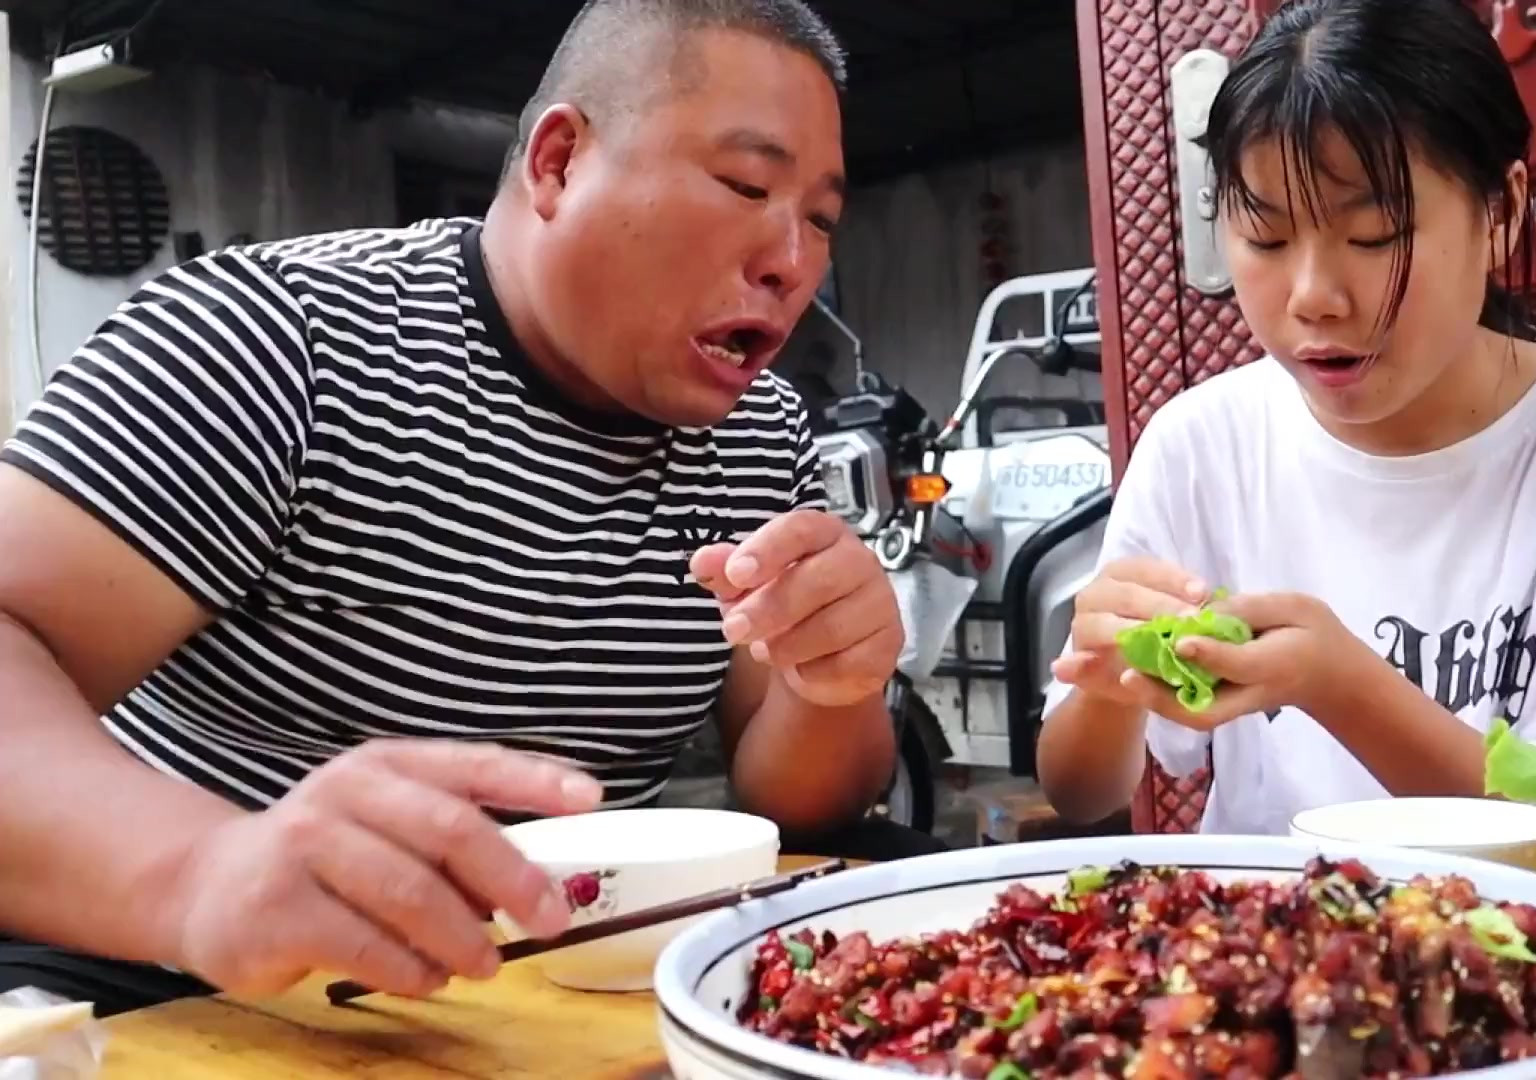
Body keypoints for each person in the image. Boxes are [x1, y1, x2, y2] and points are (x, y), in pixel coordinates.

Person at [0, 0, 939, 1017]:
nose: (791, 261)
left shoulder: (761, 437)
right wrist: (197, 874)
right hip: (167, 985)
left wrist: (834, 681)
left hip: (557, 983)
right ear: (559, 162)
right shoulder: (280, 342)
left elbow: (798, 803)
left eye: (821, 219)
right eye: (745, 185)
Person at [1036, 0, 1536, 833]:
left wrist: (1341, 684)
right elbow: (1081, 792)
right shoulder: (1200, 444)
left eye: (1375, 236)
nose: (1313, 298)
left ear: (1501, 212)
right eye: (1264, 240)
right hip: (1260, 950)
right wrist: (1106, 676)